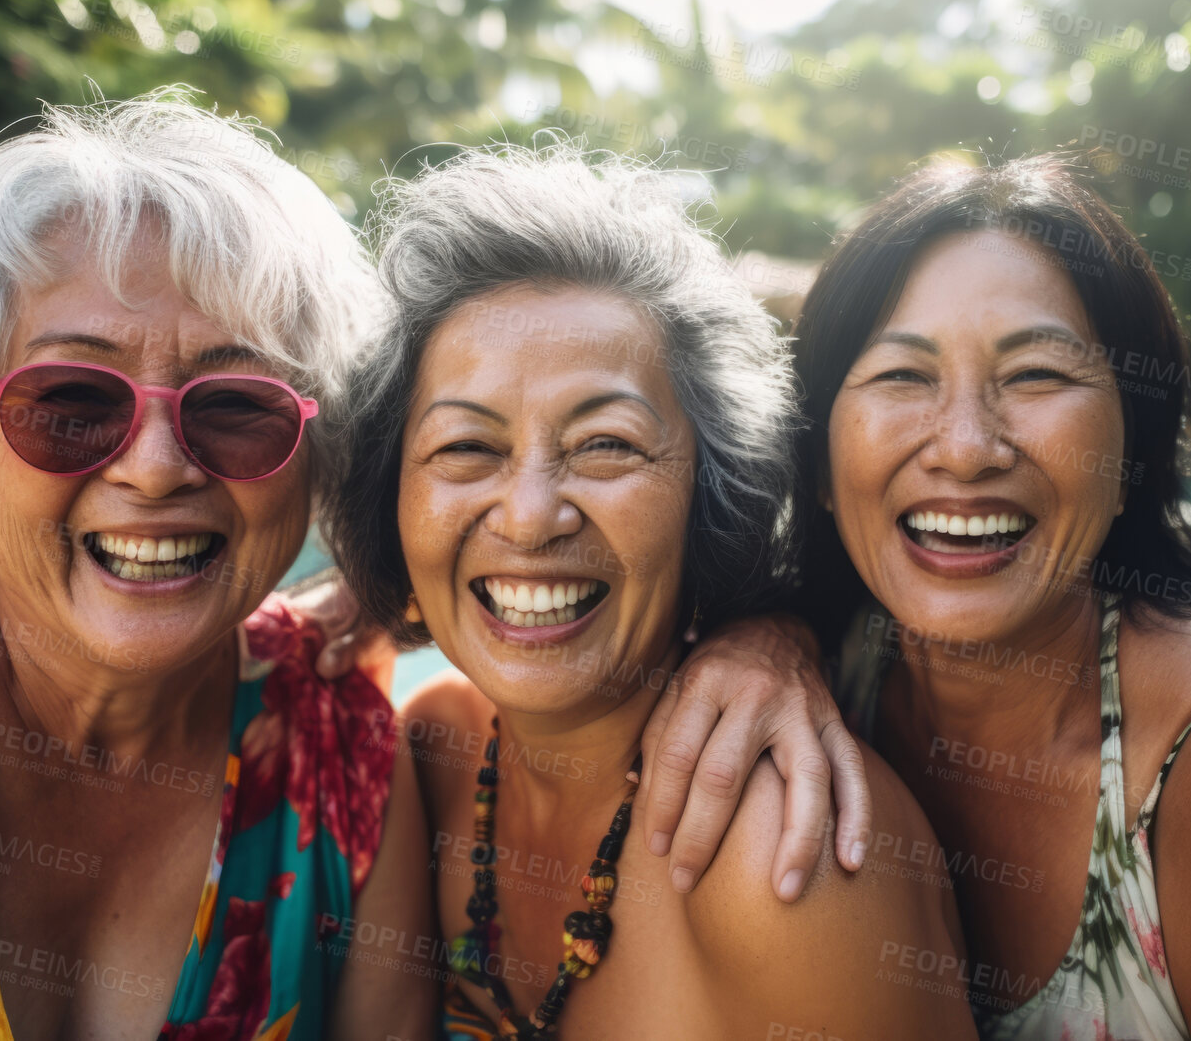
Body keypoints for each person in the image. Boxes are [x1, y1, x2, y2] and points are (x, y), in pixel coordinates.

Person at [0, 90, 871, 1041]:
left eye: (234, 407)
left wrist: (768, 626)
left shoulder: (338, 744)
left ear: (312, 460)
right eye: (71, 402)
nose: (151, 467)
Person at [327, 144, 979, 1040]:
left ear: (711, 493)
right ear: (389, 497)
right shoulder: (434, 750)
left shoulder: (781, 856)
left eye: (606, 445)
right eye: (466, 449)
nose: (528, 516)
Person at [785, 153, 1191, 1038]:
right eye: (902, 377)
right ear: (819, 461)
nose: (967, 447)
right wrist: (756, 646)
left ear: (1133, 453)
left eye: (1036, 376)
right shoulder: (809, 672)